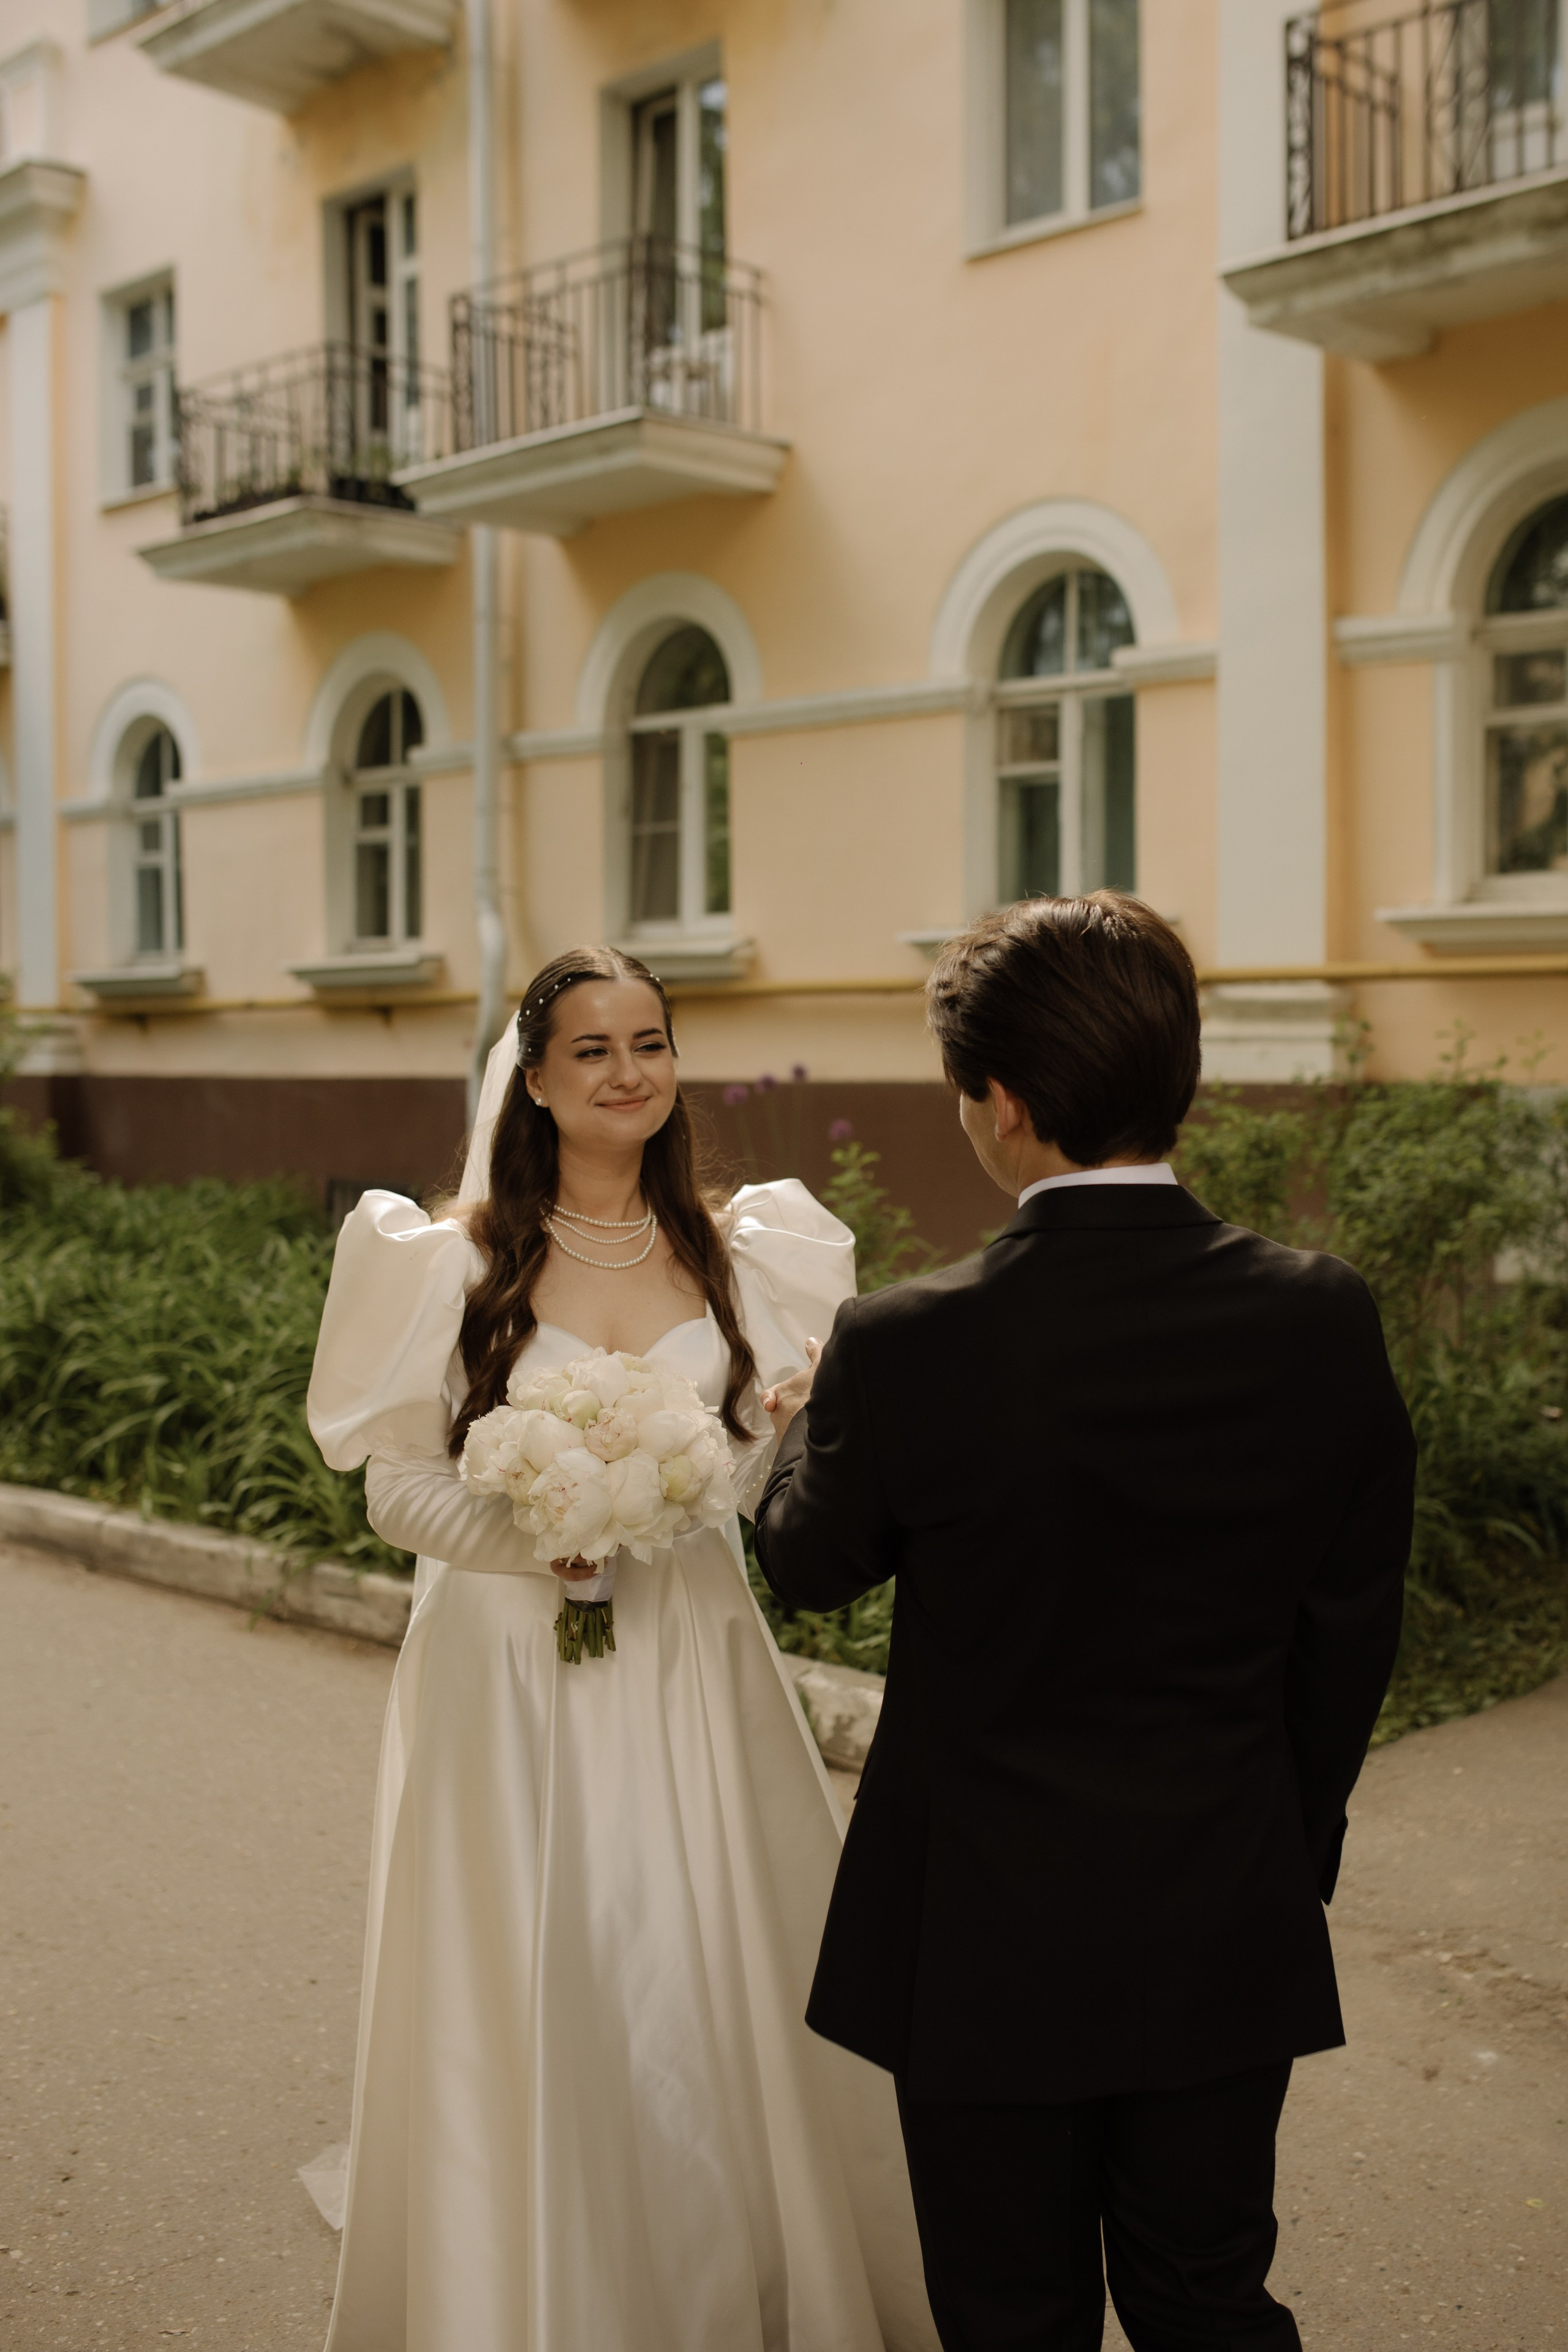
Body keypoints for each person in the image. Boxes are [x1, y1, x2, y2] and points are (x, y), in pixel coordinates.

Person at [753, 894, 1416, 2352]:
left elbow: (805, 1565)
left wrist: (804, 1429)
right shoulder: (1319, 1313)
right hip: (1219, 1900)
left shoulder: (907, 1342)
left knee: (1007, 2313)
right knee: (1205, 2296)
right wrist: (1272, 1846)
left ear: (997, 1102)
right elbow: (1347, 1626)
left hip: (978, 1928)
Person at [306, 944, 937, 2352]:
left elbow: (760, 1481)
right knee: (540, 1969)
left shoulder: (743, 1250)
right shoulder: (448, 1260)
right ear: (531, 1078)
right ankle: (535, 2284)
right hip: (507, 1682)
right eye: (590, 1049)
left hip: (689, 1660)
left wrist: (776, 1429)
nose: (626, 1072)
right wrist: (543, 1532)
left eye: (647, 1042)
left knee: (704, 1958)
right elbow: (395, 1491)